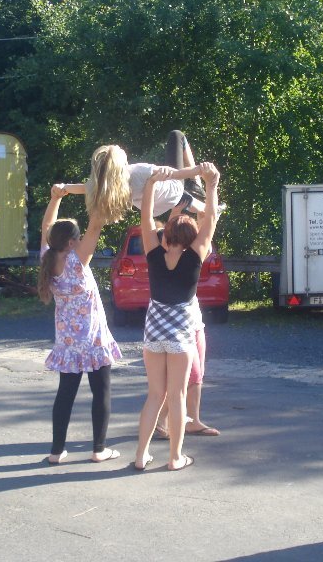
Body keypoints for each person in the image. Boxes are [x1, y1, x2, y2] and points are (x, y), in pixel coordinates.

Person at [133, 162, 221, 471]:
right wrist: (212, 184)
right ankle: (174, 458)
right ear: (193, 237)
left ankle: (141, 456)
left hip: (153, 334)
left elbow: (146, 218)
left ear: (167, 233)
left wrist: (150, 185)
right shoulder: (195, 256)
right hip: (181, 335)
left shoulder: (153, 252)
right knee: (177, 395)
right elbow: (210, 218)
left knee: (154, 395)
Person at [37, 185, 122, 464]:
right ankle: (99, 449)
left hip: (68, 342)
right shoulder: (77, 261)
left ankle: (56, 451)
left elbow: (46, 227)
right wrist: (99, 188)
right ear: (72, 242)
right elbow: (96, 223)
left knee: (65, 395)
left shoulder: (47, 258)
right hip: (94, 339)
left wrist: (55, 198)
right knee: (101, 392)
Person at [60, 130, 219, 224]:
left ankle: (205, 208)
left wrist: (64, 188)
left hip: (154, 206)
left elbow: (83, 188)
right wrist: (199, 171)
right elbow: (176, 174)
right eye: (119, 150)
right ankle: (196, 185)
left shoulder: (108, 186)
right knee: (177, 136)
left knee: (187, 201)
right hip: (173, 189)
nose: (119, 146)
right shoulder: (139, 171)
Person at [153, 217, 219, 439]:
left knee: (196, 376)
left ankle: (191, 420)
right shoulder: (172, 259)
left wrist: (199, 215)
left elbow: (205, 232)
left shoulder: (191, 256)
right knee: (187, 377)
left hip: (195, 322)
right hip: (181, 329)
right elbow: (205, 230)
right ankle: (164, 421)